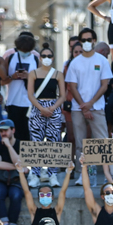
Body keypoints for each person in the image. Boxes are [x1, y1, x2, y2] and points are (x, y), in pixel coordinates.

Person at [65, 28, 113, 183]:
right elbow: (72, 86)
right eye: (83, 40)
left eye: (89, 39)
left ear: (94, 40)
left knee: (102, 143)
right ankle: (82, 174)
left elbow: (104, 85)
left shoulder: (102, 60)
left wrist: (90, 104)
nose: (86, 43)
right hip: (77, 108)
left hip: (97, 107)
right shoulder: (75, 62)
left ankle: (107, 175)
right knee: (80, 143)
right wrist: (83, 106)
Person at [24, 43, 67, 186]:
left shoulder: (58, 74)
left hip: (53, 108)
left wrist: (53, 107)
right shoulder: (33, 73)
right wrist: (41, 108)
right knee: (36, 142)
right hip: (37, 107)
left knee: (54, 141)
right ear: (40, 58)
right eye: (44, 56)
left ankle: (52, 174)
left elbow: (62, 95)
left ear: (53, 58)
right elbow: (30, 94)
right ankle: (35, 175)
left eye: (49, 56)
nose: (46, 58)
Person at [3, 31, 39, 142]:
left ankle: (27, 158)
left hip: (30, 103)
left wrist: (29, 77)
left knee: (29, 134)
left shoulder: (36, 59)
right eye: (22, 50)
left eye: (26, 51)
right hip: (13, 102)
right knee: (14, 136)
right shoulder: (10, 58)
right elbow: (3, 80)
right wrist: (12, 77)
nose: (24, 53)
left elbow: (41, 82)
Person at [0, 120, 25, 225]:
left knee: (16, 195)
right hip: (0, 179)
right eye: (1, 131)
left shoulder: (21, 144)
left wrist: (9, 146)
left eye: (6, 130)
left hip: (16, 179)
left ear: (13, 130)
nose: (3, 133)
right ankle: (4, 223)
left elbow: (18, 161)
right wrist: (19, 167)